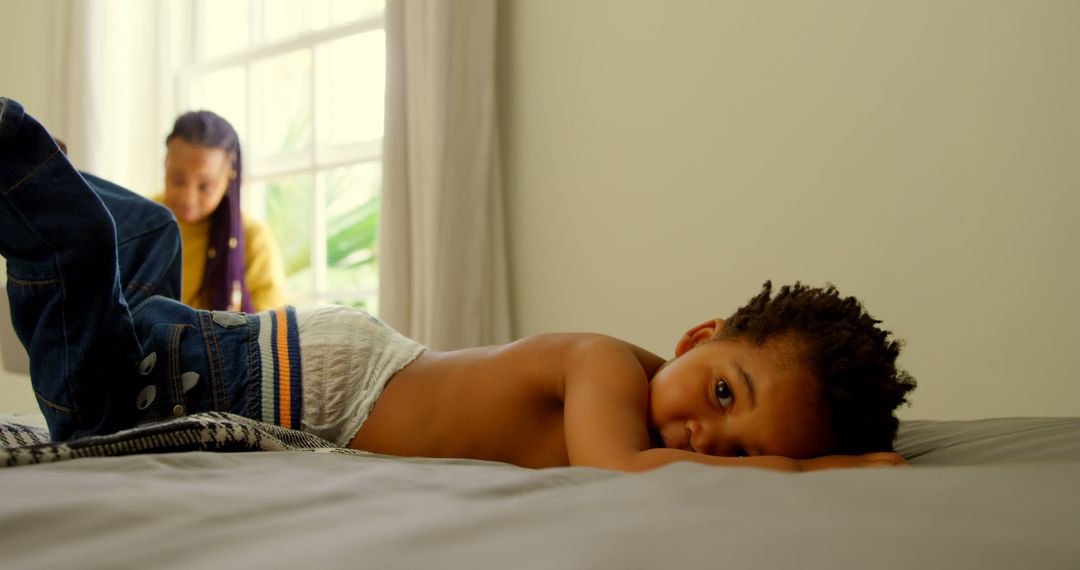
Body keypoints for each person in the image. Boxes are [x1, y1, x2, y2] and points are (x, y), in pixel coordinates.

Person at [0, 98, 916, 472]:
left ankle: (38, 182)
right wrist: (814, 471)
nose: (701, 438)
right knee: (113, 234)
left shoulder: (635, 387)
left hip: (223, 363)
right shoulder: (605, 370)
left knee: (130, 238)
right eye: (723, 395)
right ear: (695, 337)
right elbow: (627, 476)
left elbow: (670, 450)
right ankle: (24, 165)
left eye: (740, 456)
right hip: (209, 378)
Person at [158, 110, 286, 312]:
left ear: (229, 179)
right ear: (165, 164)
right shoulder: (139, 220)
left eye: (205, 186)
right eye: (178, 181)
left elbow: (270, 328)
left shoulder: (253, 239)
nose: (187, 198)